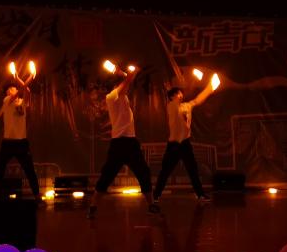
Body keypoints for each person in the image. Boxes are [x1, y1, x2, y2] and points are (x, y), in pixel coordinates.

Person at [87, 65, 157, 219]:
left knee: (143, 172)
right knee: (107, 175)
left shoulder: (123, 97)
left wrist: (124, 73)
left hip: (131, 143)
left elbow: (126, 83)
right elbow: (126, 83)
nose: (125, 87)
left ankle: (151, 205)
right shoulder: (111, 96)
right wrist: (132, 72)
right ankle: (92, 206)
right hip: (119, 144)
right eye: (120, 84)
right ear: (116, 86)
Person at [153, 72, 220, 204]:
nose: (180, 94)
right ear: (172, 96)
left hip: (185, 144)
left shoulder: (187, 106)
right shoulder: (171, 106)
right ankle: (155, 195)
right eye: (177, 93)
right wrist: (172, 89)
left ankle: (200, 195)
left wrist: (210, 87)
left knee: (192, 170)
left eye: (181, 93)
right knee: (165, 171)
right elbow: (174, 103)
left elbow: (198, 99)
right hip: (173, 145)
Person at [0, 74, 41, 201]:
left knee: (30, 170)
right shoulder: (7, 100)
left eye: (13, 88)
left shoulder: (23, 103)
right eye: (9, 89)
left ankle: (37, 195)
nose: (11, 90)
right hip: (8, 143)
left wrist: (18, 78)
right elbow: (22, 89)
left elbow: (26, 90)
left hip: (21, 143)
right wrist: (29, 77)